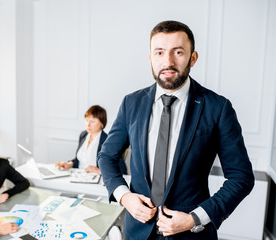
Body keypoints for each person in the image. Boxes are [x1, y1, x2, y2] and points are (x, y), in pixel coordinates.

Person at [98, 20, 254, 240]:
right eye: (159, 52)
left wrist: (195, 218)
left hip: (192, 233)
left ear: (193, 57)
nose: (167, 61)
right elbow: (106, 156)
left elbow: (241, 177)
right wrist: (124, 197)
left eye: (178, 52)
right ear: (150, 58)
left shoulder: (218, 108)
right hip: (137, 231)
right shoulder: (131, 103)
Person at [55, 105, 127, 175]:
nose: (88, 124)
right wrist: (69, 164)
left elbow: (122, 169)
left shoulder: (108, 141)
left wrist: (100, 171)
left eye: (92, 121)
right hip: (78, 175)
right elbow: (79, 160)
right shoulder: (83, 135)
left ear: (102, 123)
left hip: (96, 179)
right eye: (87, 120)